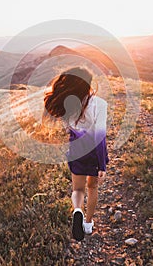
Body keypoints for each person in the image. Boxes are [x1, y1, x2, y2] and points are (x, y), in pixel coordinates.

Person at [44, 67, 109, 241]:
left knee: (78, 189)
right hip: (94, 152)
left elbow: (70, 130)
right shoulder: (100, 104)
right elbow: (100, 137)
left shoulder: (68, 105)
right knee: (92, 187)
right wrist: (102, 164)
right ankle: (88, 224)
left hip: (76, 151)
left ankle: (78, 210)